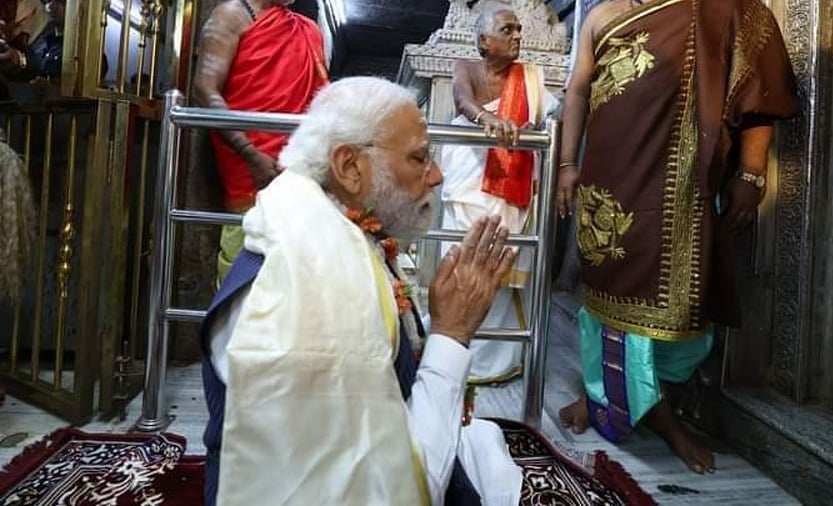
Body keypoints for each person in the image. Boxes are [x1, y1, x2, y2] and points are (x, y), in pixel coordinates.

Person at [200, 77, 524, 505]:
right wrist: (451, 335)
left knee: (485, 446)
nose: (438, 175)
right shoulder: (307, 293)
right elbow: (390, 492)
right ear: (350, 167)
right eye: (420, 158)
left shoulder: (332, 228)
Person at [556, 0, 798, 474]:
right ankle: (618, 397)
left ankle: (642, 400)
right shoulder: (601, 16)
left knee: (677, 304)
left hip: (680, 187)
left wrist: (750, 174)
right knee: (607, 292)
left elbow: (757, 95)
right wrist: (568, 164)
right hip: (608, 181)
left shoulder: (721, 9)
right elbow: (579, 90)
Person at [441, 5, 558, 384]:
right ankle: (452, 347)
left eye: (519, 30)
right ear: (483, 41)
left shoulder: (529, 80)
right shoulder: (466, 68)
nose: (517, 36)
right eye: (507, 30)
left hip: (514, 185)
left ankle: (496, 359)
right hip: (470, 176)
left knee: (506, 256)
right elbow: (462, 100)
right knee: (463, 254)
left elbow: (552, 117)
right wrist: (486, 119)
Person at [192, 0, 329, 285]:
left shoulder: (308, 30)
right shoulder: (230, 15)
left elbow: (321, 105)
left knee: (294, 277)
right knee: (242, 274)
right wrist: (249, 153)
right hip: (249, 170)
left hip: (299, 171)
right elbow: (204, 90)